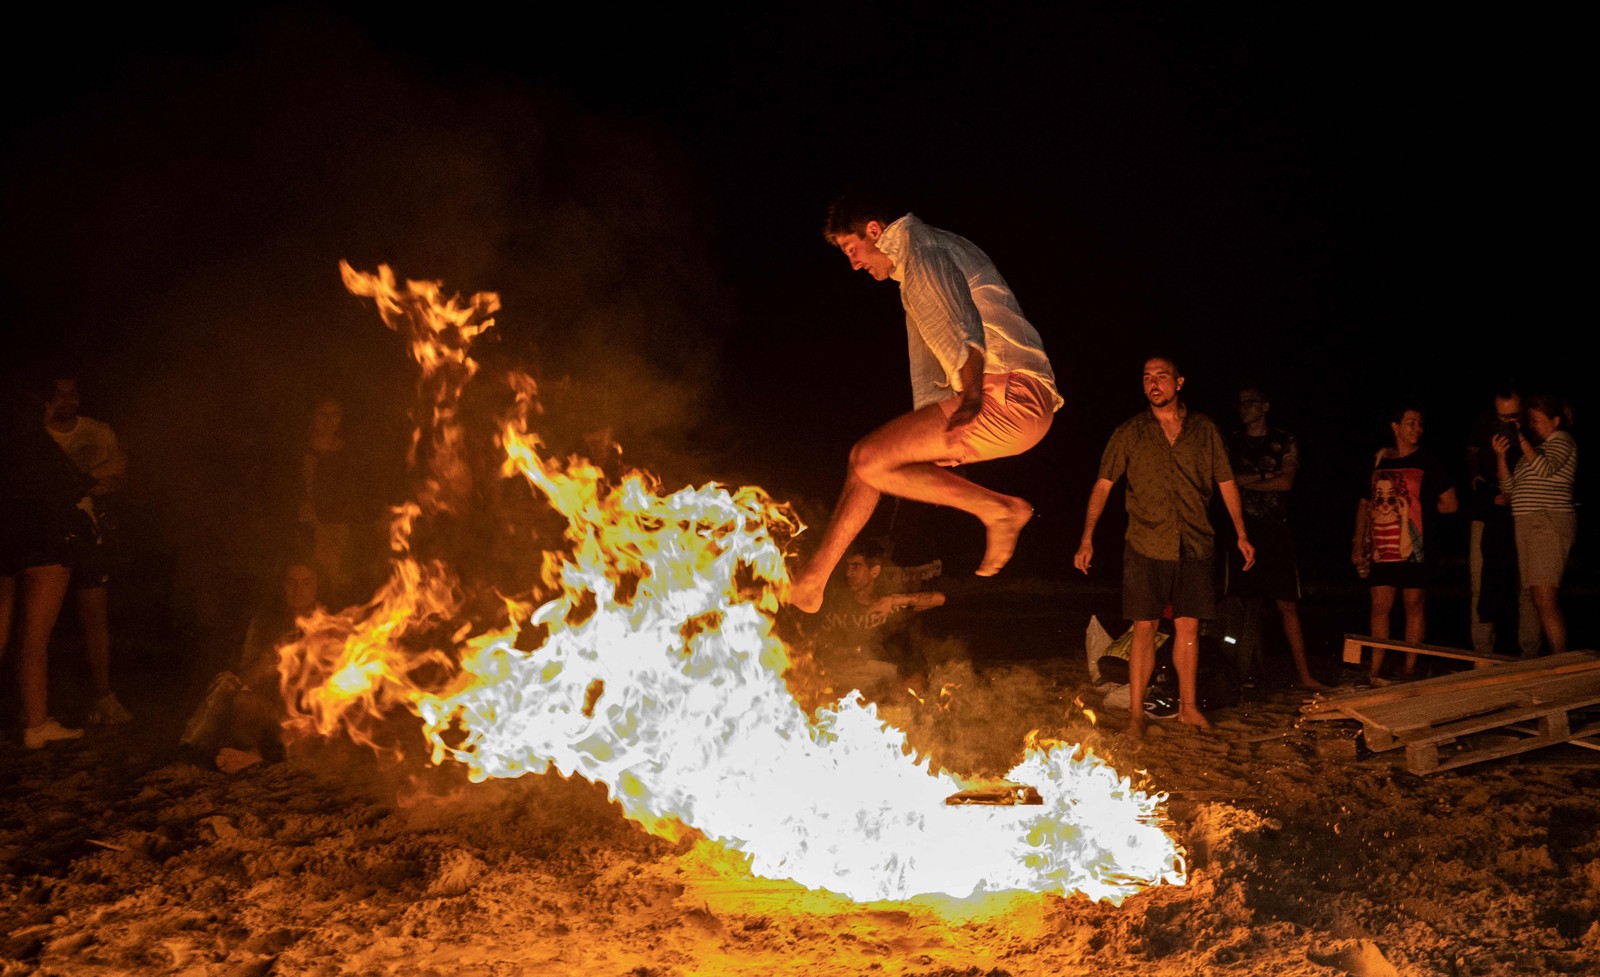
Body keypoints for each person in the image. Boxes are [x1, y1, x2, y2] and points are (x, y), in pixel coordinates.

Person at [788, 196, 1062, 613]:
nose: (854, 264)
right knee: (873, 465)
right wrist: (937, 440)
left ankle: (998, 509)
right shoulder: (925, 255)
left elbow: (962, 322)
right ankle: (812, 583)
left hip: (1007, 394)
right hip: (1014, 398)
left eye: (852, 250)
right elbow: (933, 363)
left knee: (867, 459)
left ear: (875, 231)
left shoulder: (922, 252)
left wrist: (971, 395)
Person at [1073, 357, 1254, 741]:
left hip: (1195, 543)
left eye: (1161, 377)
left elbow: (1225, 483)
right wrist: (1087, 537)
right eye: (1147, 378)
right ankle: (1136, 717)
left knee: (1188, 628)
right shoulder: (1130, 432)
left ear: (1179, 382)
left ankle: (1187, 708)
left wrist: (1241, 533)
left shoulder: (1204, 430)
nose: (1154, 383)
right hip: (1145, 544)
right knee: (1144, 628)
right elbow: (1103, 485)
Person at [1, 380, 94, 748]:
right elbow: (73, 489)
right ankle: (37, 726)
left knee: (3, 637)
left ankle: (29, 718)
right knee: (33, 641)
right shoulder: (39, 447)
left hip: (5, 547)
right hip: (45, 551)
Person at [44, 374, 133, 725]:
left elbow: (119, 475)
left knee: (95, 616)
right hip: (45, 536)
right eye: (59, 394)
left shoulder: (97, 432)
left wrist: (80, 482)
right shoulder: (37, 436)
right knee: (40, 623)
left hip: (89, 531)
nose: (67, 400)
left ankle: (103, 696)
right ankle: (36, 703)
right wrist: (91, 477)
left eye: (73, 393)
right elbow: (46, 487)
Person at [1225, 384, 1326, 690]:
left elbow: (1286, 483)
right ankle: (1241, 675)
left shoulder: (1283, 439)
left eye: (1250, 402)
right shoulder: (1232, 443)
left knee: (1287, 605)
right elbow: (1228, 482)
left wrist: (1253, 481)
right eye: (1241, 403)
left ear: (1265, 406)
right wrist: (1265, 478)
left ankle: (1305, 675)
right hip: (1244, 529)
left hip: (1276, 529)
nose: (1244, 408)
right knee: (1245, 605)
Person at [180, 560, 322, 773]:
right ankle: (203, 747)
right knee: (236, 694)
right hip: (274, 714)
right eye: (291, 582)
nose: (298, 590)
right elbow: (243, 681)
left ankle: (258, 756)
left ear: (317, 585)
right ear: (281, 585)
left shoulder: (331, 621)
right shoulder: (265, 622)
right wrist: (268, 657)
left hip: (313, 715)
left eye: (306, 583)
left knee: (322, 723)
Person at [1351, 405, 1459, 683]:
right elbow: (1365, 503)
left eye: (1420, 424)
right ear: (1395, 427)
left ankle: (1410, 667)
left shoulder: (1427, 461)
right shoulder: (1379, 460)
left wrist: (1418, 510)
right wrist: (1357, 540)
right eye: (1410, 423)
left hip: (1415, 547)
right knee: (1380, 605)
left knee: (1414, 604)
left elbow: (1450, 504)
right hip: (1381, 548)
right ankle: (1376, 667)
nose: (1417, 429)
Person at [805, 540, 943, 703]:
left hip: (884, 680)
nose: (849, 573)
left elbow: (939, 599)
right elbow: (817, 646)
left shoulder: (890, 604)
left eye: (856, 567)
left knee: (913, 686)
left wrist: (895, 600)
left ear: (874, 571)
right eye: (848, 567)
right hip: (843, 679)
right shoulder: (835, 603)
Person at [1493, 394, 1577, 656]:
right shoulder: (1533, 450)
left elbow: (1545, 470)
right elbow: (1508, 488)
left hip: (1547, 522)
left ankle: (1561, 661)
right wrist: (1501, 456)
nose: (1533, 425)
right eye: (1531, 421)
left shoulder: (1562, 441)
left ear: (1555, 420)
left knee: (1545, 595)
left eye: (1538, 421)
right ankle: (1550, 657)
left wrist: (1520, 439)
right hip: (1527, 523)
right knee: (1537, 595)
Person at [1464, 390, 1538, 656]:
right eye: (1501, 416)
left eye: (1513, 416)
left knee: (1528, 585)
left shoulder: (1533, 426)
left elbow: (1541, 468)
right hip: (1488, 506)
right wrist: (1476, 478)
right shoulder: (1483, 423)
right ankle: (1482, 652)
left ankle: (1529, 652)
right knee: (1480, 580)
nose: (1507, 421)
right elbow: (1472, 453)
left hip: (1524, 510)